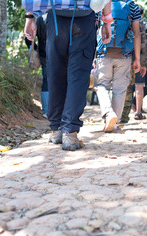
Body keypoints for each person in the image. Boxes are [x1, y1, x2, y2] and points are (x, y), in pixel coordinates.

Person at [23, 0, 112, 151]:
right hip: (84, 18)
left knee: (55, 72)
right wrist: (107, 21)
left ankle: (56, 129)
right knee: (78, 76)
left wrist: (30, 17)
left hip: (55, 18)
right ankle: (70, 133)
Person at [95, 0, 141, 132]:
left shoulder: (101, 3)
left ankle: (109, 113)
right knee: (120, 88)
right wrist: (137, 58)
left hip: (104, 52)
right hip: (124, 53)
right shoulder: (132, 6)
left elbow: (95, 27)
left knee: (101, 85)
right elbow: (136, 34)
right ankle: (114, 123)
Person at [121, 5, 147, 123]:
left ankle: (121, 114)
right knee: (139, 85)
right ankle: (138, 112)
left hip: (124, 56)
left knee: (123, 85)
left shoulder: (124, 19)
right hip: (139, 58)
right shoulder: (144, 25)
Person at [25, 14, 48, 118]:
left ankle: (47, 111)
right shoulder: (61, 14)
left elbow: (28, 39)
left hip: (44, 54)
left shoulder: (40, 18)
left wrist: (35, 48)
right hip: (61, 55)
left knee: (47, 80)